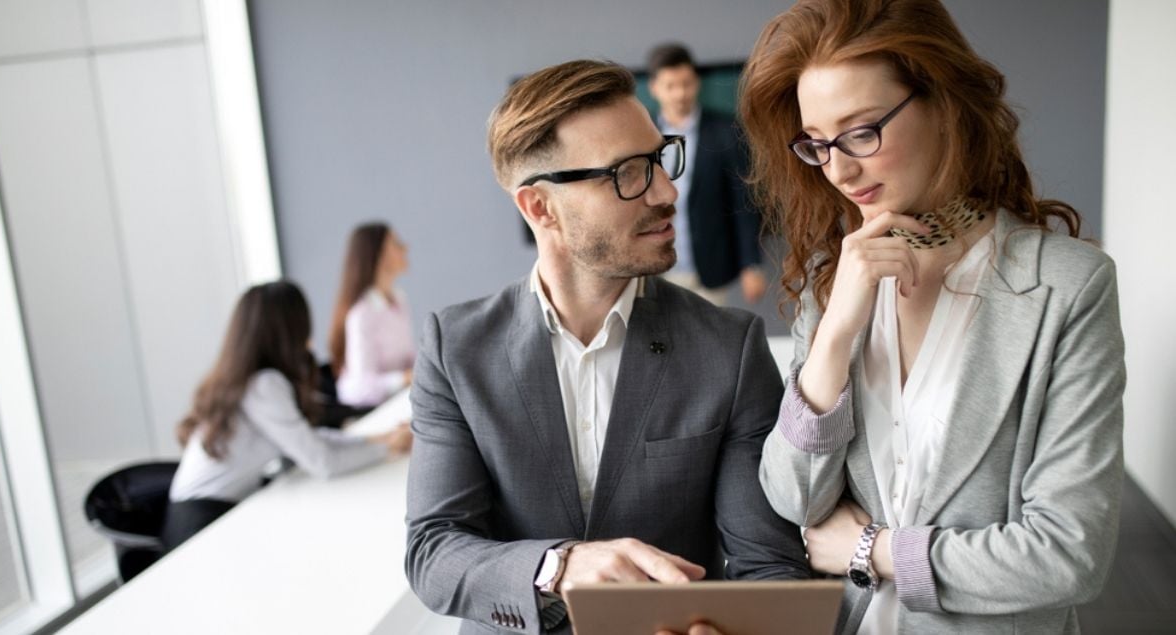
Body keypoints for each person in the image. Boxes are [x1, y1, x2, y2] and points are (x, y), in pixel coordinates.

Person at [739, 0, 1126, 633]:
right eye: (817, 144)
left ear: (943, 103)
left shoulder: (1065, 287)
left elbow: (1068, 555)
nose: (839, 169)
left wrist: (871, 551)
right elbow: (795, 500)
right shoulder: (833, 281)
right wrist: (836, 331)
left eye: (862, 131)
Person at [405, 60, 809, 635]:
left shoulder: (729, 347)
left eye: (660, 158)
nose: (667, 191)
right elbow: (433, 551)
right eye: (627, 173)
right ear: (539, 207)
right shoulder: (457, 348)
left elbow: (769, 565)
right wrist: (558, 566)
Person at [164, 281, 411, 550]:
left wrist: (379, 440)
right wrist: (388, 448)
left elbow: (307, 440)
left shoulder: (248, 380)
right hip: (201, 524)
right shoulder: (263, 385)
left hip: (201, 513)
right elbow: (323, 461)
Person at [647, 42, 767, 306]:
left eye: (686, 83)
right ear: (654, 89)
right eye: (670, 86)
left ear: (697, 83)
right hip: (657, 269)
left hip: (711, 266)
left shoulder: (725, 129)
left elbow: (743, 200)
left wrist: (751, 265)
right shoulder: (641, 135)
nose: (680, 93)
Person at [329, 223, 416, 408]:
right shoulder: (361, 314)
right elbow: (361, 386)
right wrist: (405, 378)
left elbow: (408, 359)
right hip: (372, 408)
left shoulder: (399, 300)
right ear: (379, 254)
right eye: (396, 243)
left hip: (400, 400)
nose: (405, 248)